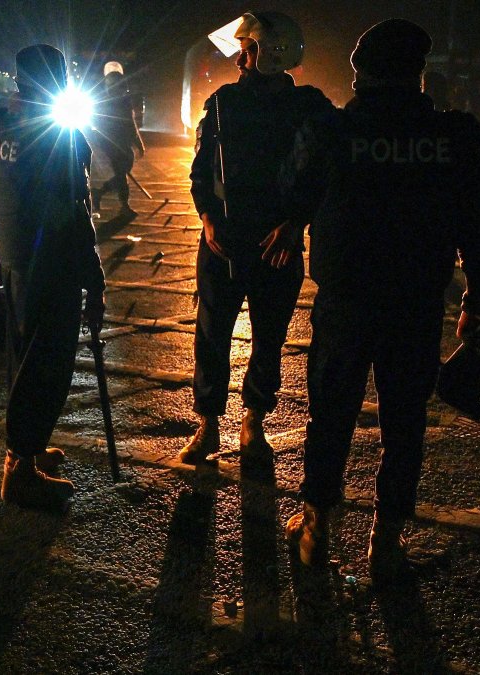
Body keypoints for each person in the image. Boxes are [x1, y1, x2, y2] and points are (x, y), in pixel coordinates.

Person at [279, 19, 480, 583]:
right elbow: (477, 224)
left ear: (359, 73)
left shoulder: (328, 130)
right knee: (406, 421)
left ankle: (315, 528)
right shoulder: (456, 136)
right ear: (420, 73)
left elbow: (292, 191)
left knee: (331, 414)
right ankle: (386, 541)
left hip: (347, 300)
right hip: (417, 301)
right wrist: (477, 299)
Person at [182, 11, 333, 465]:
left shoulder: (311, 108)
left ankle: (253, 422)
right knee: (211, 337)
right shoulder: (223, 102)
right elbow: (200, 171)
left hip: (277, 248)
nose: (239, 59)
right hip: (222, 241)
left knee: (269, 338)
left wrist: (296, 223)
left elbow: (325, 173)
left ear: (271, 54)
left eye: (247, 50)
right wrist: (207, 217)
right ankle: (207, 425)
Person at [0, 44, 106, 511]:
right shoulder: (58, 134)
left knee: (22, 361)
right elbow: (74, 213)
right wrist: (95, 276)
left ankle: (26, 450)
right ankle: (21, 469)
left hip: (13, 263)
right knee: (47, 368)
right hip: (52, 267)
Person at [90, 61, 145, 217]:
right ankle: (124, 206)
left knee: (123, 171)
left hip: (123, 142)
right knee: (121, 175)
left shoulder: (124, 98)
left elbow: (131, 121)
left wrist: (138, 143)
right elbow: (95, 121)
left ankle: (98, 192)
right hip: (109, 143)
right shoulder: (101, 99)